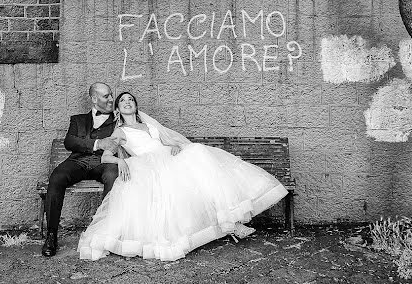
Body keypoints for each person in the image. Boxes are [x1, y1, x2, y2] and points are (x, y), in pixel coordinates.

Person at [77, 92, 288, 262]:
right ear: (117, 110)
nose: (127, 102)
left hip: (169, 159)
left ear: (136, 106)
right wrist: (120, 160)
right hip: (150, 167)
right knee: (188, 181)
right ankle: (228, 225)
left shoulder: (150, 126)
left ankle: (229, 221)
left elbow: (166, 143)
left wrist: (177, 147)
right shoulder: (120, 132)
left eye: (131, 100)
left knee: (198, 156)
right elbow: (106, 157)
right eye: (122, 101)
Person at [42, 82, 120, 257]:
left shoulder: (118, 119)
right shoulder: (77, 120)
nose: (111, 99)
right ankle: (51, 235)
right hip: (79, 161)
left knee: (112, 175)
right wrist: (97, 143)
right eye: (106, 96)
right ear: (94, 98)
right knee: (57, 177)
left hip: (104, 162)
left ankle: (103, 233)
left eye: (111, 95)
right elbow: (70, 142)